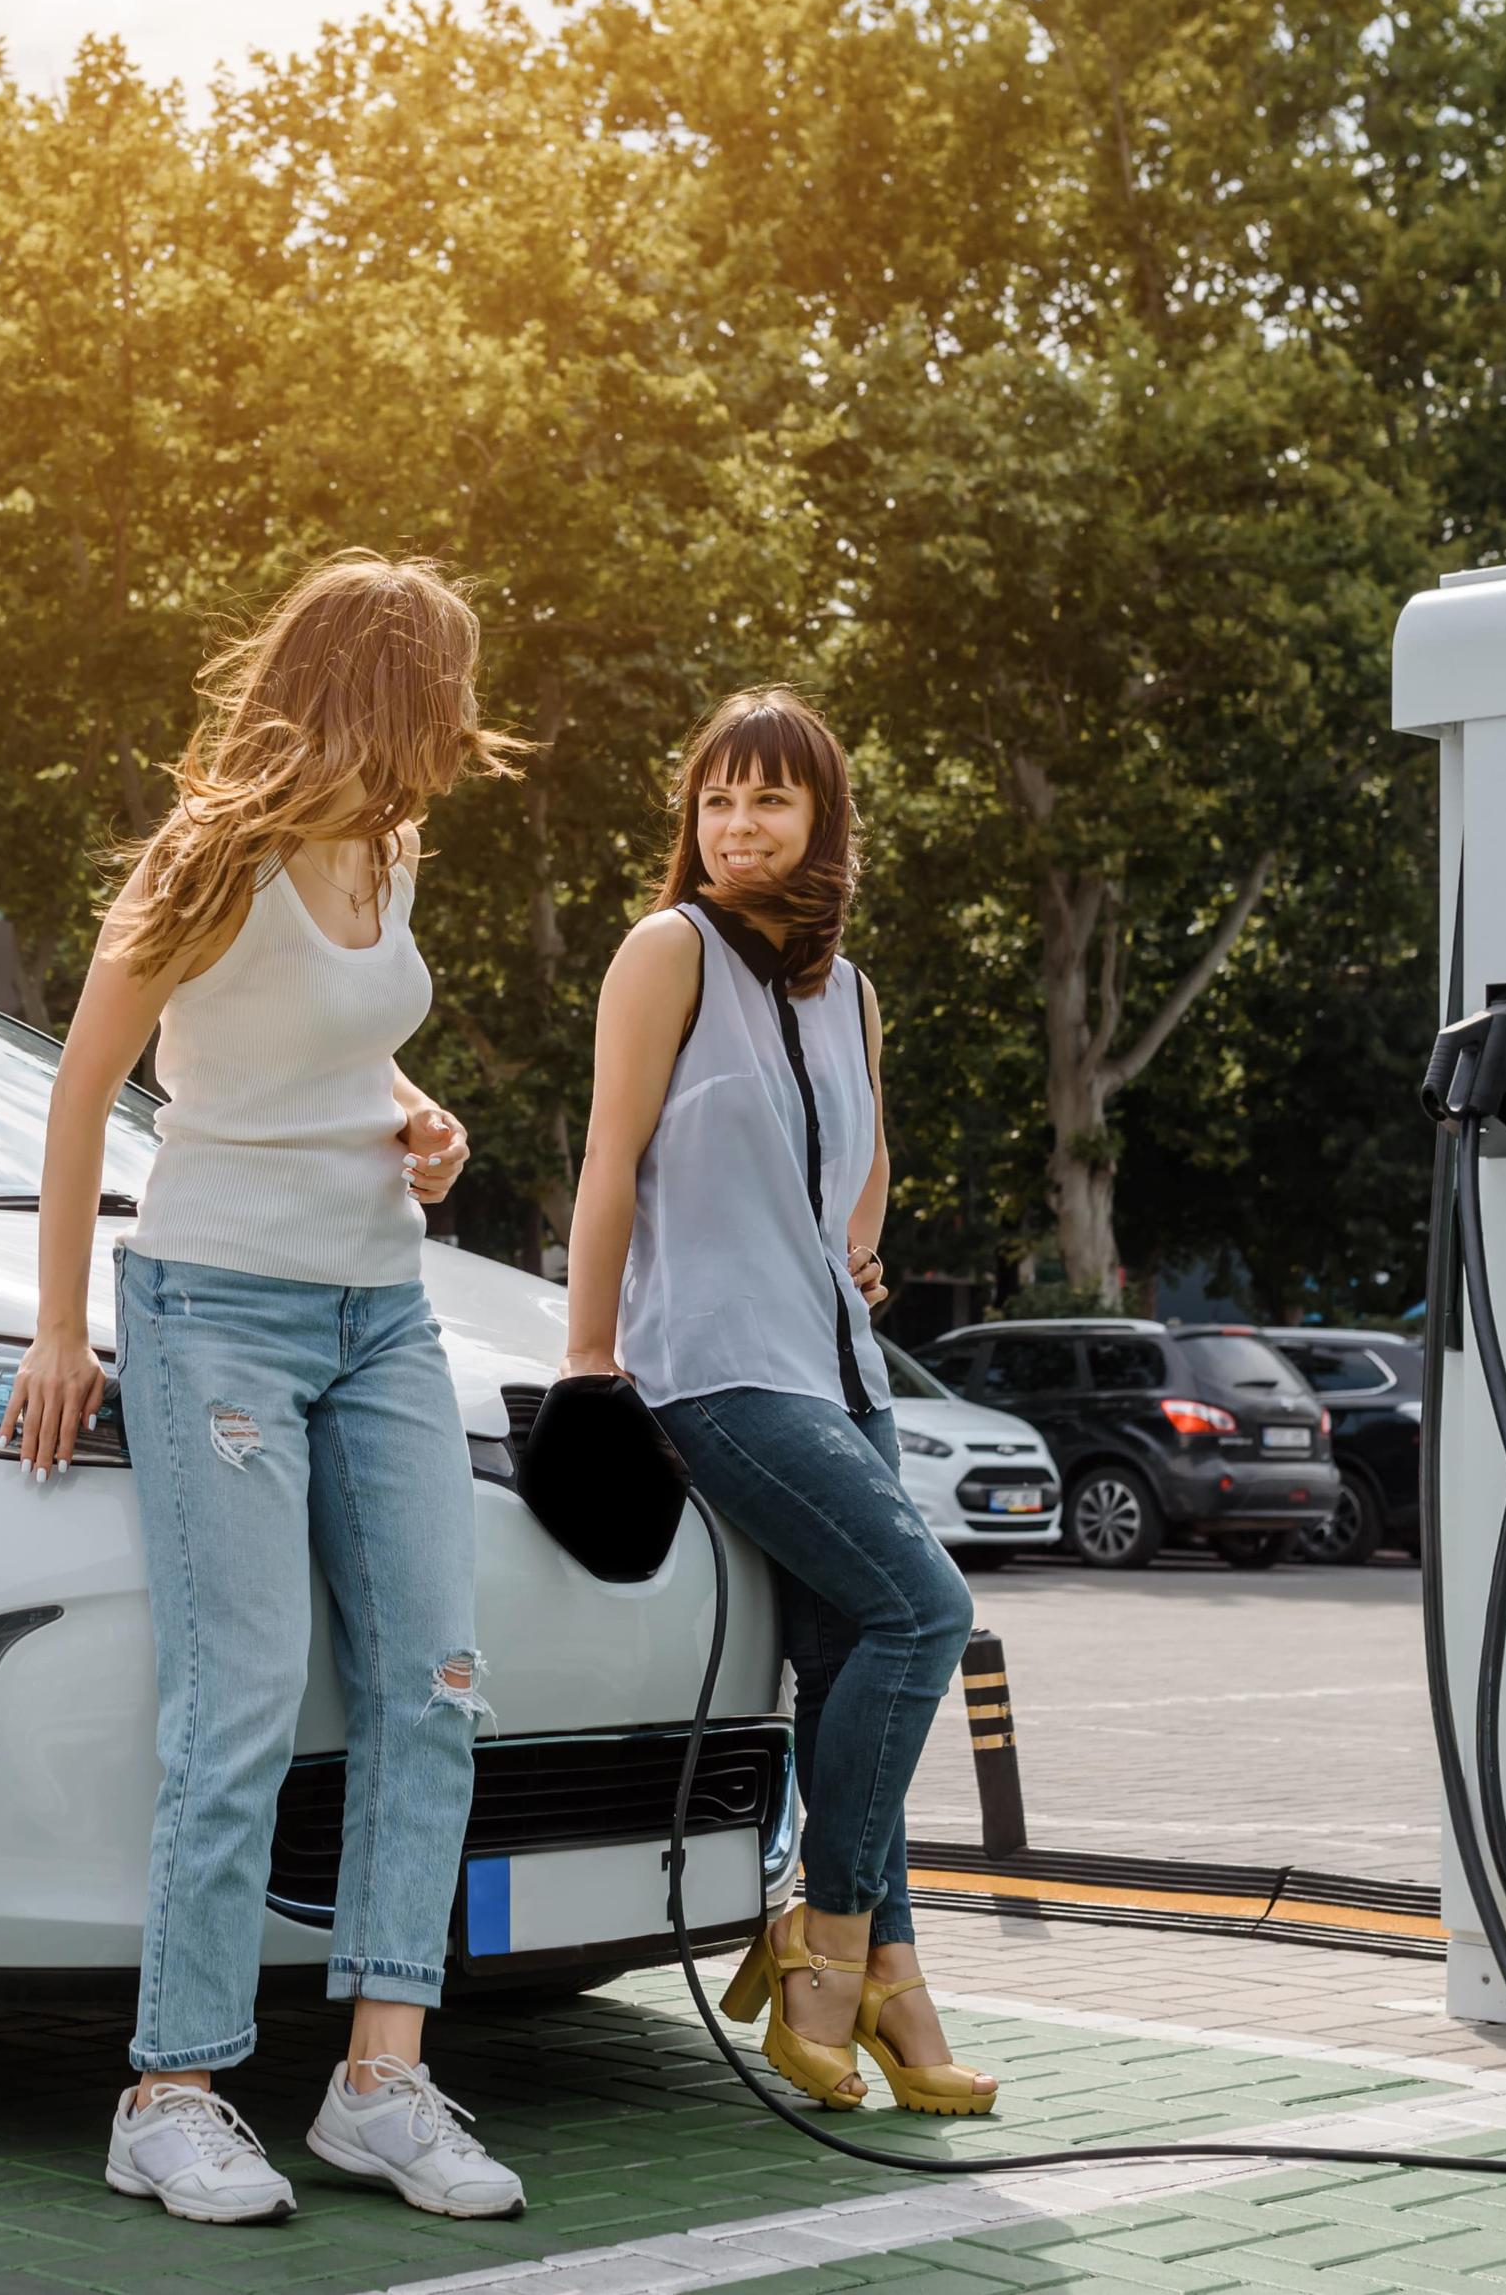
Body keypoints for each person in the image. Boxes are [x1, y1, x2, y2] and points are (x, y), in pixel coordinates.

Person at [7, 553, 528, 2228]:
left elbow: (325, 1045)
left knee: (435, 1687)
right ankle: (168, 2092)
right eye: (444, 687)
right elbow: (89, 1090)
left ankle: (379, 2081)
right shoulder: (209, 855)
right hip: (214, 1306)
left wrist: (419, 1113)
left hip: (383, 1307)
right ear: (386, 687)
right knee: (241, 1701)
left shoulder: (389, 845)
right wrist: (63, 1327)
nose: (462, 724)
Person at [557, 686, 997, 2116]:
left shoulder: (850, 991)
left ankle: (884, 1987)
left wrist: (856, 1250)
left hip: (840, 1372)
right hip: (716, 1365)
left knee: (853, 1690)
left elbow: (861, 1161)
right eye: (717, 802)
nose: (738, 828)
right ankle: (834, 1942)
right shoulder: (664, 949)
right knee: (925, 1611)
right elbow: (610, 1158)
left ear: (825, 821)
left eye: (771, 801)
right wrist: (586, 1357)